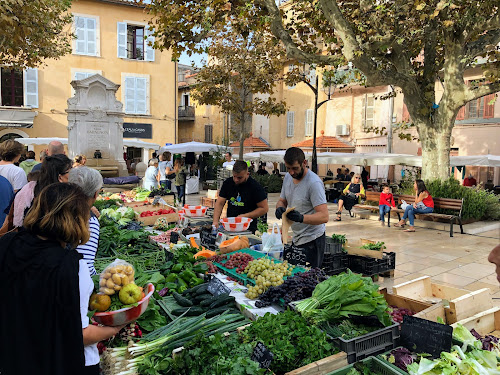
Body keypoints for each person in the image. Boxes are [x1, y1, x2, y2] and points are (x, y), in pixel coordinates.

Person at [0, 183, 123, 375]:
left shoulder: (7, 244)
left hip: (12, 358)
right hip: (54, 362)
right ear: (77, 220)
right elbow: (78, 334)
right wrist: (117, 327)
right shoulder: (71, 266)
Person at [275, 147, 329, 268]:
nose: (291, 172)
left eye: (295, 168)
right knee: (295, 277)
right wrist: (279, 208)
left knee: (309, 280)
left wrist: (301, 218)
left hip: (313, 240)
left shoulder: (314, 183)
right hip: (296, 238)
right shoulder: (288, 177)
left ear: (304, 163)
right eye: (288, 168)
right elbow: (282, 200)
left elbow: (324, 216)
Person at [13, 154, 73, 228]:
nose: (72, 174)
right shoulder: (64, 197)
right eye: (70, 171)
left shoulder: (28, 190)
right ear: (60, 177)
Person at [213, 160, 268, 233]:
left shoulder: (255, 187)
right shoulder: (227, 183)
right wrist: (215, 221)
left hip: (247, 229)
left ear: (247, 174)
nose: (236, 180)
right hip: (230, 227)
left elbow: (264, 208)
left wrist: (245, 216)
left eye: (239, 178)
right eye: (234, 176)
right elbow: (220, 203)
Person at [69, 167, 103, 276]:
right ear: (95, 194)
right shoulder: (89, 220)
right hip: (69, 284)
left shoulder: (62, 207)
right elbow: (85, 265)